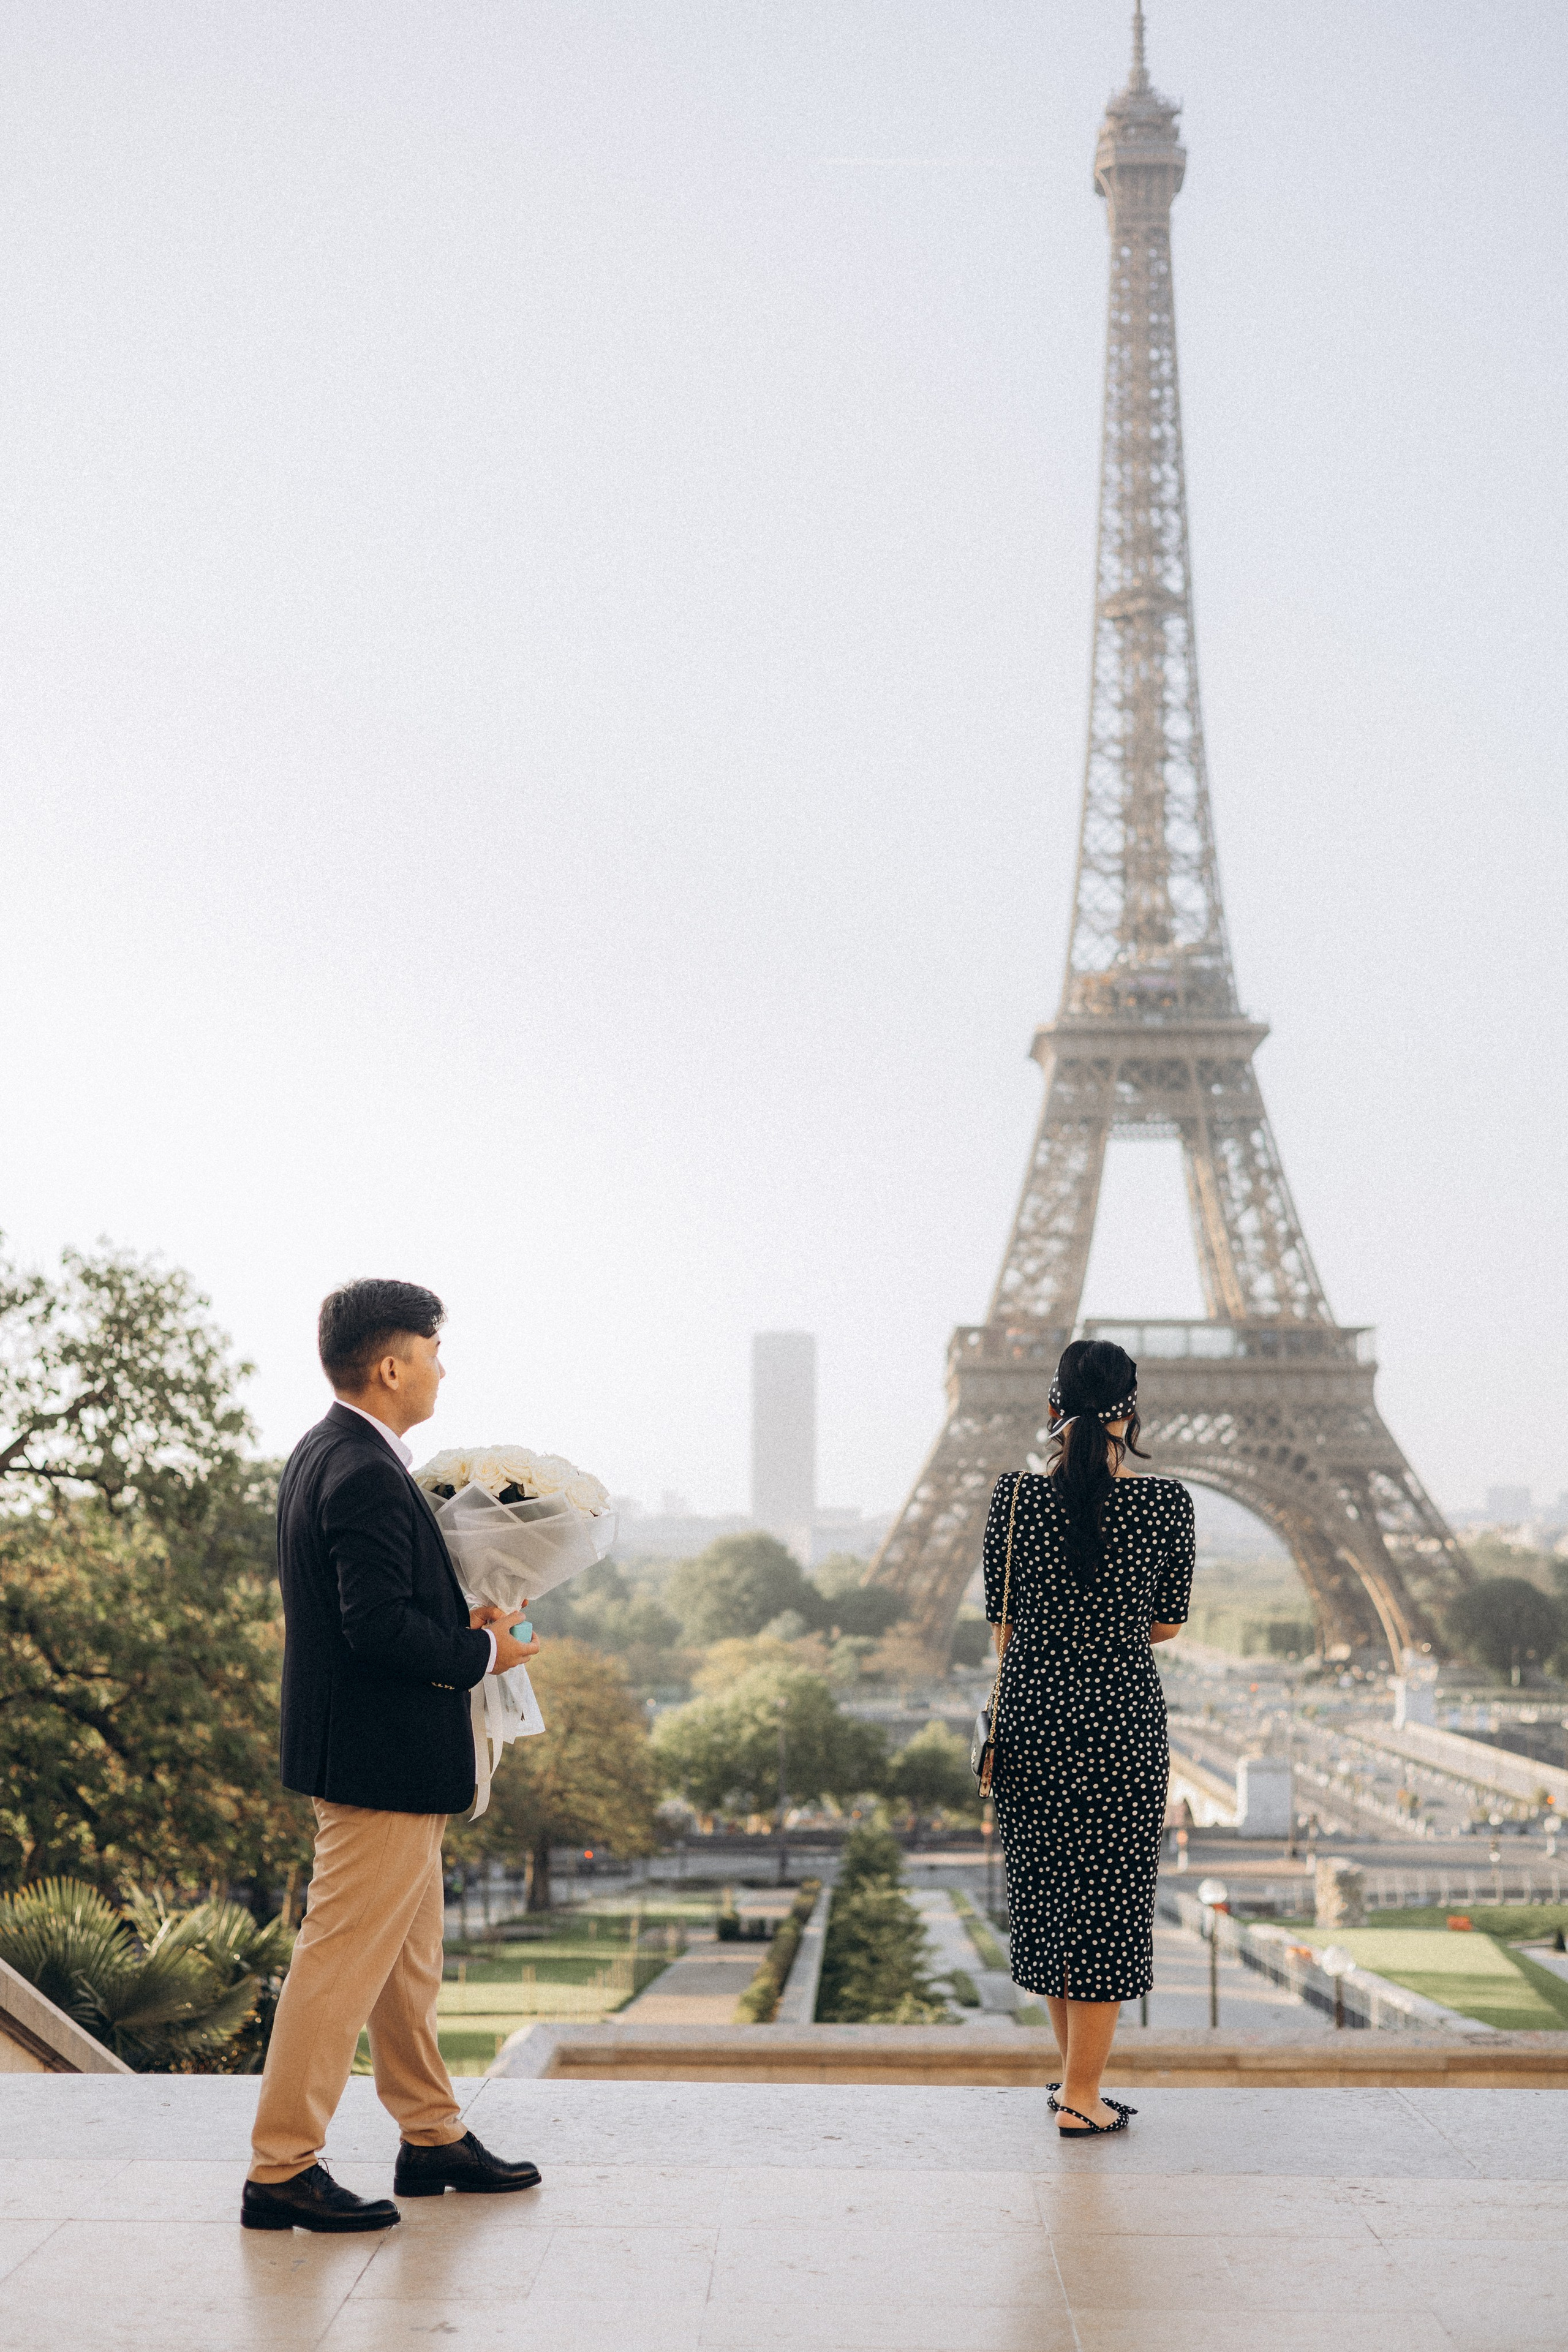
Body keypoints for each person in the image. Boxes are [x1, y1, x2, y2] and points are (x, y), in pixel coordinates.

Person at [243, 1278, 543, 2233]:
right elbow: (374, 1629)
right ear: (390, 1367)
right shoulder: (366, 1471)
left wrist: (462, 1620)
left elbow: (368, 1609)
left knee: (409, 1969)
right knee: (338, 1969)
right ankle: (281, 2169)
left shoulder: (327, 1452)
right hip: (380, 1765)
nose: (441, 1370)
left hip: (376, 1758)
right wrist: (485, 1653)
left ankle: (431, 2134)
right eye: (432, 1353)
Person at [984, 1337, 1193, 2137]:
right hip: (1120, 1725)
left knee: (1047, 1901)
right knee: (1108, 1908)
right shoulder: (1166, 1505)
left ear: (1052, 1409)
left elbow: (1003, 1628)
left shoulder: (1014, 1500)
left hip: (1033, 1722)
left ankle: (1076, 2085)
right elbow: (1165, 1625)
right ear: (1129, 1416)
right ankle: (1081, 2095)